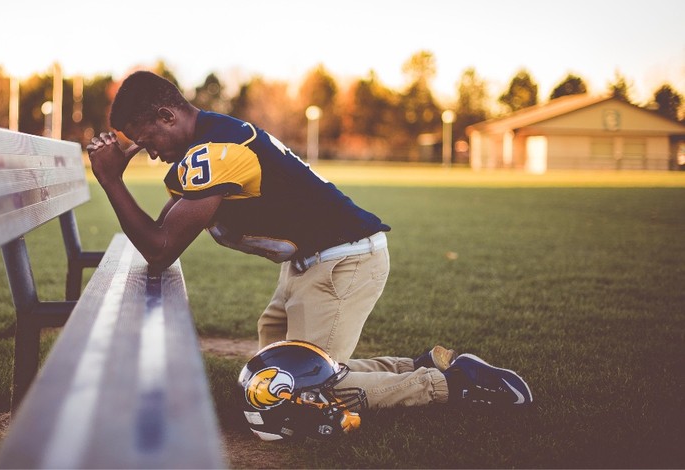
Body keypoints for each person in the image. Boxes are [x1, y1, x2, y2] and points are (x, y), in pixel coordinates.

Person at [86, 71, 532, 416]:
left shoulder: (215, 149)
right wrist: (116, 180)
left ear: (168, 116)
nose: (150, 152)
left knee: (303, 389)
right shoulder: (208, 141)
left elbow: (161, 249)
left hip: (342, 262)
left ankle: (454, 386)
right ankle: (424, 365)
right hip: (311, 263)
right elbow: (162, 234)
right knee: (275, 376)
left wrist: (110, 181)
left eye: (148, 141)